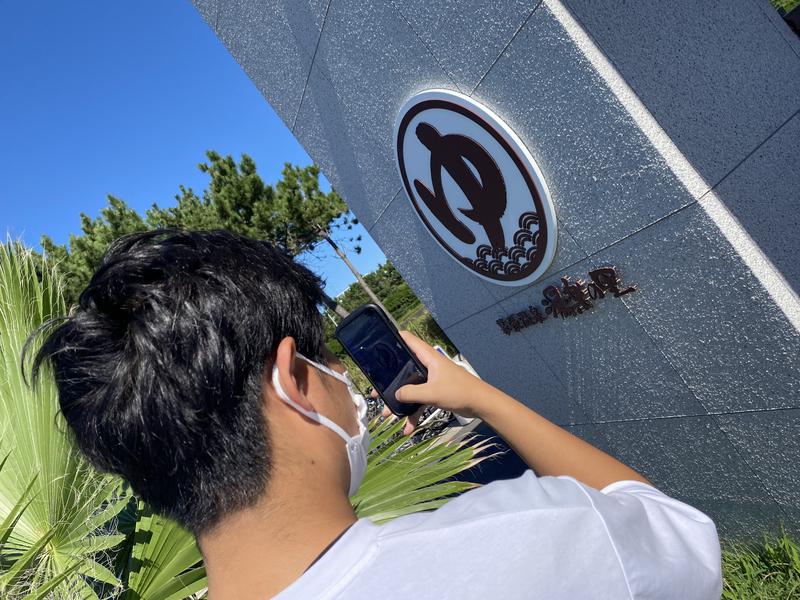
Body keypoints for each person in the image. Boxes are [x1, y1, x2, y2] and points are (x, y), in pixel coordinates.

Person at [31, 229, 722, 599]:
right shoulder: (538, 539)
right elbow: (669, 531)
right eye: (327, 359)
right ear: (294, 381)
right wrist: (483, 397)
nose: (345, 380)